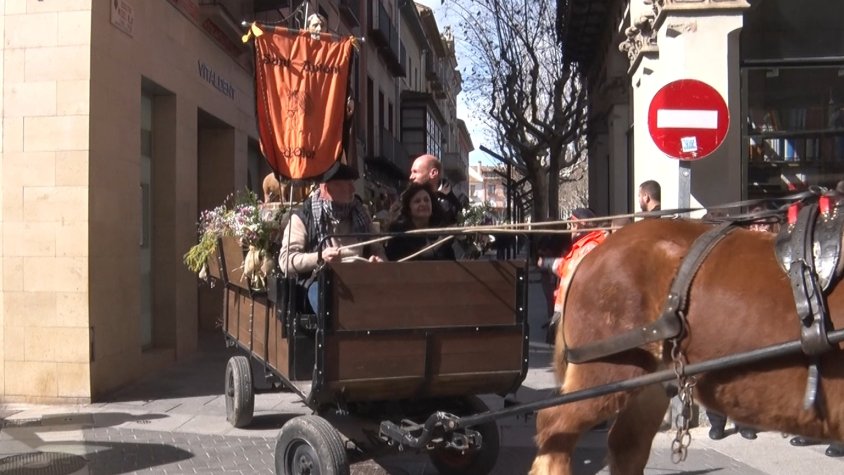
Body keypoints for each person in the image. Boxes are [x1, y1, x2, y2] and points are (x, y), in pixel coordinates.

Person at [278, 163, 385, 313]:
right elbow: (286, 261)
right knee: (329, 305)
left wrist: (378, 260)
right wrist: (320, 257)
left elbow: (378, 249)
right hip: (321, 282)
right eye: (346, 185)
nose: (353, 190)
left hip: (361, 278)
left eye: (352, 184)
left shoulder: (361, 213)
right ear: (326, 189)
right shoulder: (303, 217)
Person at [537, 208, 609, 343]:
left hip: (580, 315)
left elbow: (571, 270)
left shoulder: (589, 247)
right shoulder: (582, 247)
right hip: (573, 313)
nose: (570, 230)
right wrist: (547, 263)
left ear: (579, 225)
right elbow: (566, 266)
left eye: (571, 225)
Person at [385, 183, 455, 261]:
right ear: (409, 209)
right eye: (417, 201)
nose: (423, 203)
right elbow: (415, 256)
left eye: (426, 200)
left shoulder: (438, 229)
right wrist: (442, 239)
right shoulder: (399, 231)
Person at [408, 154, 463, 225]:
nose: (411, 177)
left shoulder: (459, 199)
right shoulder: (406, 198)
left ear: (433, 173)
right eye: (417, 201)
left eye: (415, 172)